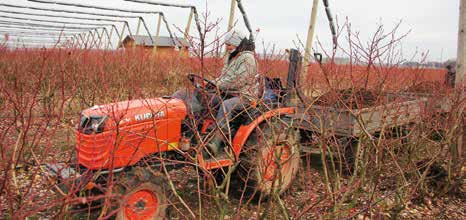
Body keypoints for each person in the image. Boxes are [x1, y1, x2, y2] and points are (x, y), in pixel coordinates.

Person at [207, 30, 260, 155]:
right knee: (207, 99)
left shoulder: (248, 59)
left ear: (238, 44)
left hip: (245, 95)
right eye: (227, 44)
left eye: (230, 44)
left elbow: (238, 81)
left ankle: (217, 141)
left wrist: (217, 84)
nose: (227, 47)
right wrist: (211, 83)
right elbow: (225, 76)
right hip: (229, 92)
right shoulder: (230, 57)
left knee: (227, 105)